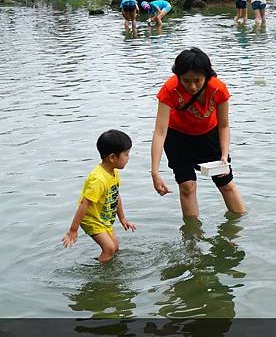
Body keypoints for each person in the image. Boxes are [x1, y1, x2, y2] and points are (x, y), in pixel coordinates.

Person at [151, 48, 245, 218]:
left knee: (226, 183)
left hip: (209, 136)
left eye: (197, 80)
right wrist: (155, 172)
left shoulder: (218, 89)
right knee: (187, 187)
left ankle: (241, 229)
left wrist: (224, 155)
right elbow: (160, 131)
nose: (192, 86)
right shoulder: (170, 89)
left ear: (207, 77)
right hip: (177, 138)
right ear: (178, 76)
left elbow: (223, 125)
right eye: (186, 81)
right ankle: (192, 237)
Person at [62, 130, 136, 263]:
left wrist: (122, 218)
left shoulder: (113, 173)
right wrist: (73, 230)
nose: (128, 157)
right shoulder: (98, 179)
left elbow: (115, 195)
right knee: (109, 248)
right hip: (91, 219)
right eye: (126, 154)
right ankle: (103, 278)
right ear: (112, 157)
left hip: (103, 218)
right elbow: (85, 204)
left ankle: (105, 266)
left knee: (115, 247)